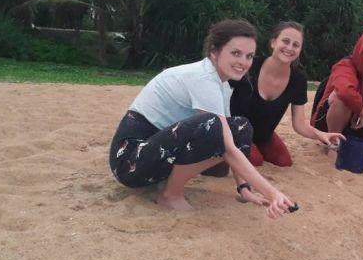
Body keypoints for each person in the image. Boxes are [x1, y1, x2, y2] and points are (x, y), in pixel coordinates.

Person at [108, 20, 295, 217]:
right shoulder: (203, 78)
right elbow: (228, 148)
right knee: (212, 125)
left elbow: (232, 139)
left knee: (241, 127)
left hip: (158, 152)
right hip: (130, 161)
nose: (244, 62)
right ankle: (170, 194)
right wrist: (273, 194)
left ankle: (171, 185)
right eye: (236, 53)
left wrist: (244, 188)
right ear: (214, 52)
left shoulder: (221, 84)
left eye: (249, 56)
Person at [230, 21, 344, 167]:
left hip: (264, 135)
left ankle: (259, 144)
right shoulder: (250, 66)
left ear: (300, 50)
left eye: (296, 45)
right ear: (273, 42)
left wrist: (322, 135)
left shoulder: (298, 79)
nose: (289, 48)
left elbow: (299, 124)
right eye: (285, 41)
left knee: (284, 162)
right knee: (255, 160)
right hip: (236, 131)